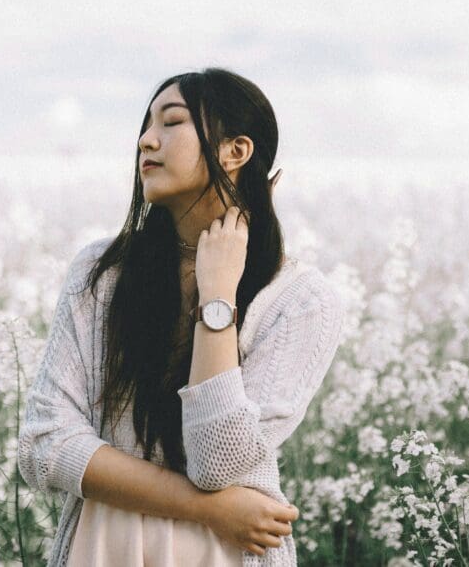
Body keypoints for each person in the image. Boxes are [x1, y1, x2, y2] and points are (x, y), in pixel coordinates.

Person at [18, 68, 347, 566]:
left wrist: (218, 297)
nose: (146, 141)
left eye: (171, 123)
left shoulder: (301, 301)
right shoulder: (101, 273)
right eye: (146, 125)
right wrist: (208, 510)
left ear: (235, 151)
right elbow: (44, 444)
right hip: (106, 547)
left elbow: (219, 463)